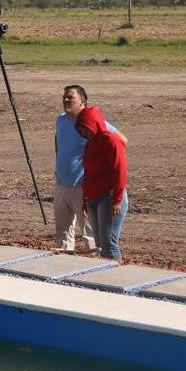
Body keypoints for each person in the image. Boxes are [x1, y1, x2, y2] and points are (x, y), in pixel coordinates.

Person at [54, 85, 128, 250]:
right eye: (64, 97)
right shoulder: (61, 120)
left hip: (83, 184)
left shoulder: (93, 122)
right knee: (63, 231)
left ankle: (94, 265)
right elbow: (58, 142)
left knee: (90, 234)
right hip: (61, 182)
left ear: (82, 102)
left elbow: (121, 140)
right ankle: (64, 263)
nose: (66, 100)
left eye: (70, 97)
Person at [75, 105, 129, 261]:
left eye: (86, 128)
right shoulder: (90, 144)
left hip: (109, 197)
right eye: (81, 129)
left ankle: (116, 275)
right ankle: (106, 274)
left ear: (95, 124)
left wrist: (117, 199)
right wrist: (86, 198)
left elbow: (120, 171)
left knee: (109, 245)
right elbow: (88, 173)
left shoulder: (111, 141)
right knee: (100, 244)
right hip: (93, 198)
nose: (84, 132)